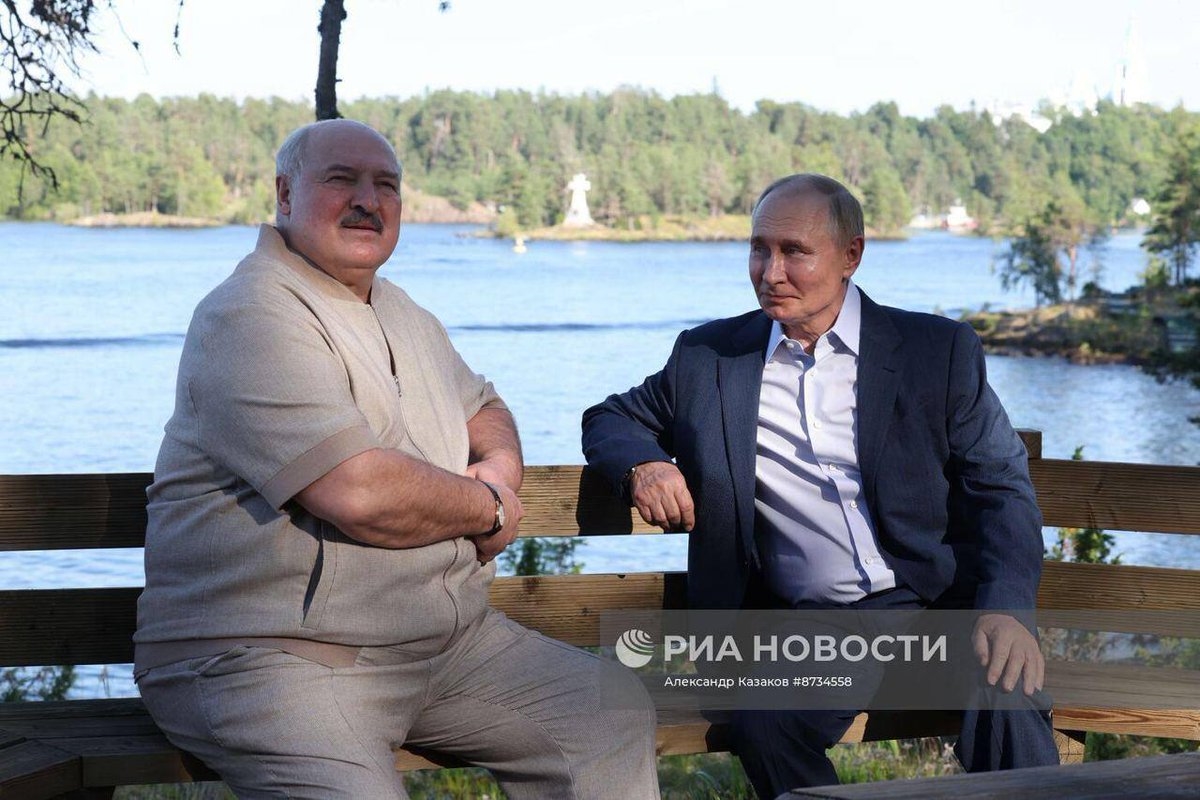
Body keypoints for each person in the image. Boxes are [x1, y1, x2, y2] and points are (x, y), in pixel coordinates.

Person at [134, 118, 659, 800]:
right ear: (285, 194)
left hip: (445, 647)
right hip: (271, 659)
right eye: (342, 180)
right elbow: (360, 494)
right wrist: (490, 507)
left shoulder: (402, 312)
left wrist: (500, 468)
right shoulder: (251, 315)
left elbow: (485, 407)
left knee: (605, 712)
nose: (368, 200)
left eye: (386, 185)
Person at [581, 173, 1058, 798]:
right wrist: (644, 465)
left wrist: (1005, 607)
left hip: (936, 601)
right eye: (759, 249)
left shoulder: (935, 352)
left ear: (851, 255)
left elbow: (1000, 488)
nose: (771, 272)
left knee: (1009, 682)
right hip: (816, 629)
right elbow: (610, 418)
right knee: (764, 721)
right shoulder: (710, 358)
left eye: (794, 252)